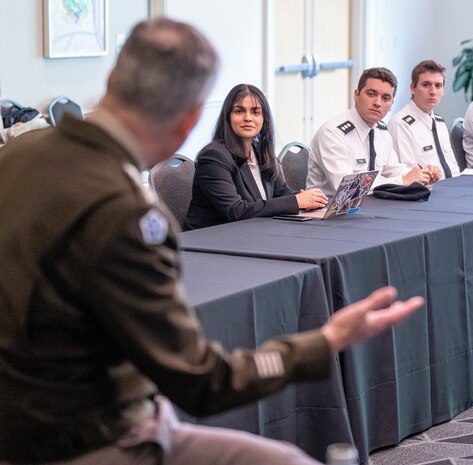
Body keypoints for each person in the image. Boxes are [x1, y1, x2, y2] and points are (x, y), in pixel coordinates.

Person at [0, 18, 423, 465]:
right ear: (191, 120)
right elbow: (203, 383)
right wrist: (325, 341)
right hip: (82, 437)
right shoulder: (128, 213)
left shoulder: (16, 154)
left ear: (111, 80)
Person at [184, 84, 327, 229]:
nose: (248, 118)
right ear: (228, 116)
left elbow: (282, 193)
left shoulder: (260, 152)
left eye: (255, 112)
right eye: (239, 111)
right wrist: (296, 201)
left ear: (264, 119)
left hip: (253, 233)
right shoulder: (213, 157)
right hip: (210, 241)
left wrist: (308, 200)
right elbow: (235, 211)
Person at [306, 67, 439, 197]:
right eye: (371, 94)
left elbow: (393, 170)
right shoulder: (332, 133)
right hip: (329, 213)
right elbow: (347, 189)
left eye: (385, 98)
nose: (377, 103)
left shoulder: (381, 132)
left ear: (392, 104)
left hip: (371, 208)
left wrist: (422, 175)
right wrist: (402, 181)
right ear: (356, 95)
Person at [389, 60, 459, 179]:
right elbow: (408, 174)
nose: (433, 92)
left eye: (438, 85)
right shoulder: (400, 124)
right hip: (426, 192)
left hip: (453, 189)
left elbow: (453, 168)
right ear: (413, 88)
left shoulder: (439, 122)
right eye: (426, 85)